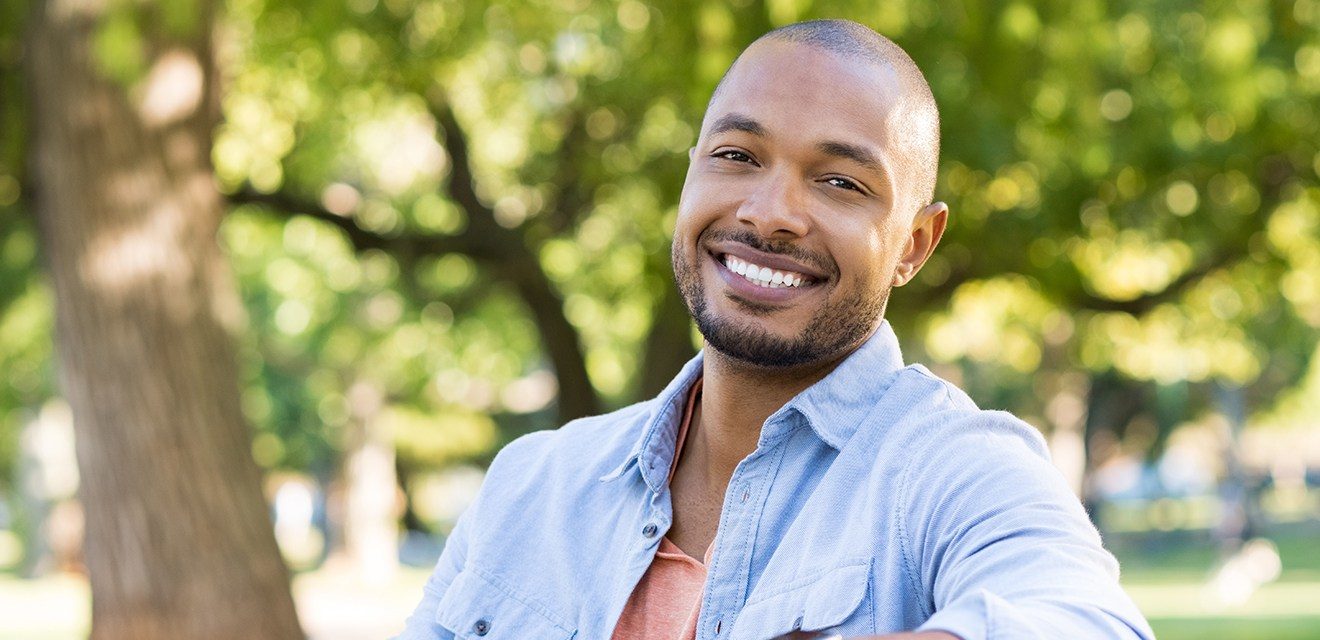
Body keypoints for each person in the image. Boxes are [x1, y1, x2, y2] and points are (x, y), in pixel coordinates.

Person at [397, 18, 1153, 640]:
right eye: (736, 156)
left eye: (840, 182)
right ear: (690, 174)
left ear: (914, 246)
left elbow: (1086, 620)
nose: (768, 213)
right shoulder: (533, 484)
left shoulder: (950, 470)